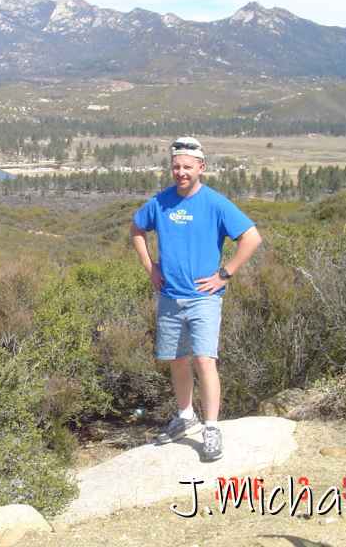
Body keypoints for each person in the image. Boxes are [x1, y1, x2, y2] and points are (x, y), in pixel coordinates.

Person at [129, 137, 262, 461]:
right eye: (176, 166)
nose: (181, 172)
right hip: (170, 297)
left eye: (187, 167)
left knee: (204, 359)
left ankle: (212, 428)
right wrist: (151, 268)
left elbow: (252, 237)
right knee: (177, 359)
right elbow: (136, 229)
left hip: (205, 297)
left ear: (201, 167)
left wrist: (225, 273)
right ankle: (185, 415)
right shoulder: (160, 203)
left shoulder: (215, 203)